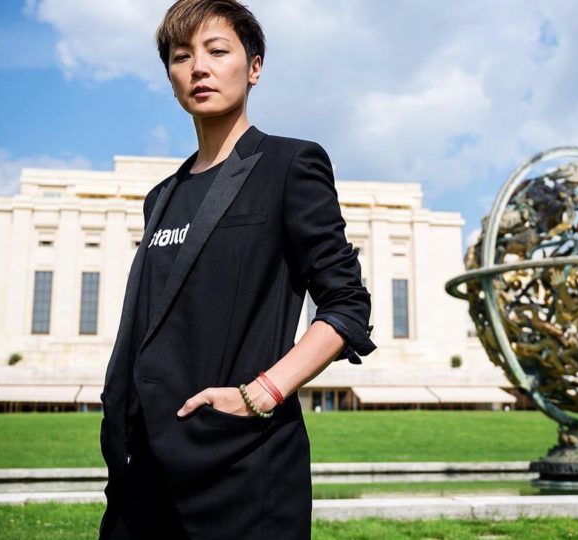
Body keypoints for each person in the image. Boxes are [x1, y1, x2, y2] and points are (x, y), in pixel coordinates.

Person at [97, 1, 376, 538]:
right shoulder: (161, 196)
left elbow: (347, 306)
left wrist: (260, 394)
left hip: (241, 467)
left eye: (216, 50)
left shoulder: (290, 165)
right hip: (143, 475)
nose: (198, 67)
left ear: (254, 67)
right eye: (181, 57)